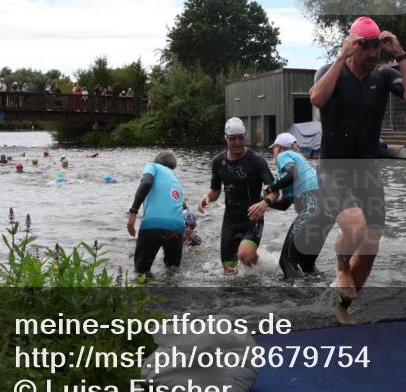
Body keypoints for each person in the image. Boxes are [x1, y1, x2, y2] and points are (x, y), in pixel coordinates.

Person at [310, 16, 406, 324]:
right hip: (334, 169)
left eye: (377, 48)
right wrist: (340, 58)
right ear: (353, 46)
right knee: (355, 227)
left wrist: (400, 53)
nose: (373, 54)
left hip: (367, 170)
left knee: (371, 242)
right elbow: (317, 98)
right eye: (366, 48)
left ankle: (342, 306)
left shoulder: (384, 75)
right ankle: (341, 264)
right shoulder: (330, 71)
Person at [198, 117, 273, 274]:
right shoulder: (218, 161)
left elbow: (275, 192)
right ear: (226, 138)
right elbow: (215, 191)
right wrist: (207, 198)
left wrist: (264, 203)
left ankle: (258, 266)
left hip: (252, 217)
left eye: (241, 137)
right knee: (228, 273)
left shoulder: (256, 160)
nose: (237, 142)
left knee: (245, 255)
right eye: (232, 138)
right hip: (230, 220)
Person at [262, 133, 331, 280]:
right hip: (327, 215)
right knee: (307, 265)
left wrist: (270, 188)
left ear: (279, 148)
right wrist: (262, 202)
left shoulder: (284, 155)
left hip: (312, 210)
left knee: (287, 262)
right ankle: (323, 291)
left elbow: (290, 175)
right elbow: (284, 204)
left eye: (273, 148)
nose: (273, 152)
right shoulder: (301, 163)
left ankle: (296, 294)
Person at [127, 151, 187, 278]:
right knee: (173, 272)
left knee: (141, 272)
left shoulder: (152, 166)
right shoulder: (175, 178)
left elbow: (147, 183)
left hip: (153, 224)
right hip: (177, 227)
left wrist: (133, 212)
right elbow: (183, 207)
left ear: (156, 160)